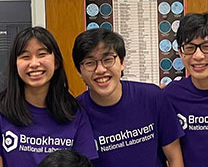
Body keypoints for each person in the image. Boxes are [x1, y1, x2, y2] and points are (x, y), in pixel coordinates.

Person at [72, 28, 184, 167]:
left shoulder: (152, 98)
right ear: (79, 71)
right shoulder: (74, 114)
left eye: (108, 60)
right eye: (89, 63)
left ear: (122, 62)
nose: (100, 70)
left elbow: (174, 159)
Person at [0, 26, 98, 166]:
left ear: (56, 61)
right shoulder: (2, 111)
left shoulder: (74, 113)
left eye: (42, 54)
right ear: (15, 64)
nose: (34, 64)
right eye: (25, 56)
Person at [163, 13, 208, 166]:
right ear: (181, 53)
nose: (198, 56)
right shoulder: (170, 96)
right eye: (189, 48)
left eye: (206, 47)